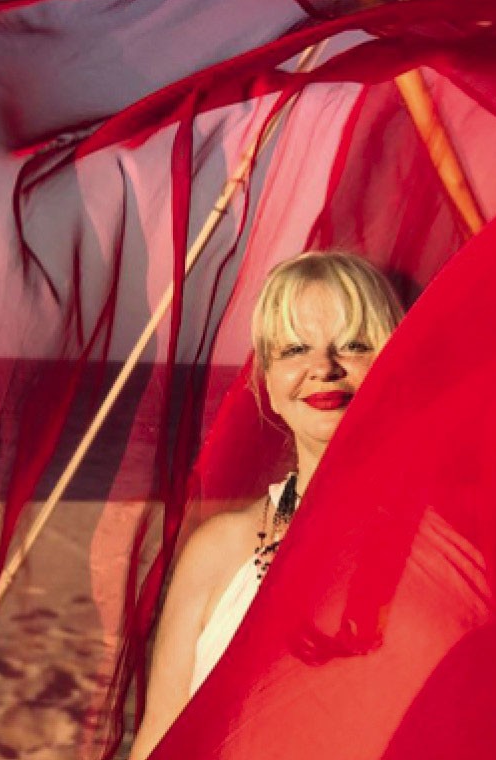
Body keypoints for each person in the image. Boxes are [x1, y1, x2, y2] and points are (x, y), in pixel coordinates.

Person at [129, 250, 404, 759]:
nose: (323, 368)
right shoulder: (219, 550)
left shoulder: (438, 547)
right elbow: (159, 736)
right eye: (295, 349)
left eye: (354, 345)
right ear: (269, 384)